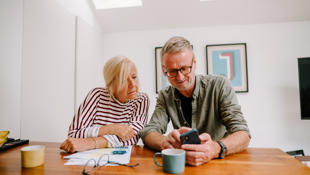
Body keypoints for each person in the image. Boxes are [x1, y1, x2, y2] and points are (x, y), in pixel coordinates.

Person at [139, 36, 250, 166]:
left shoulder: (219, 85)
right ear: (164, 70)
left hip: (219, 162)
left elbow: (243, 133)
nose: (179, 77)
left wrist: (215, 148)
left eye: (185, 68)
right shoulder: (165, 95)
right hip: (184, 164)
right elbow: (149, 131)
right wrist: (165, 142)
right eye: (172, 71)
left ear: (195, 63)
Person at [60, 56, 149, 153]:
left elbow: (131, 137)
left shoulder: (141, 100)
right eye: (123, 80)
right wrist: (113, 128)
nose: (133, 85)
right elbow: (74, 134)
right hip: (89, 160)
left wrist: (91, 143)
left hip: (122, 160)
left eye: (134, 77)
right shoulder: (97, 95)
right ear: (110, 85)